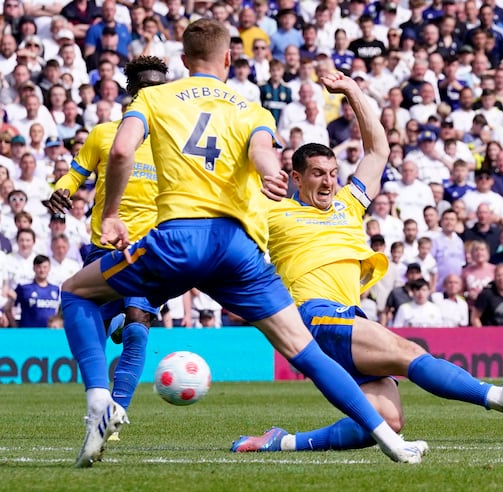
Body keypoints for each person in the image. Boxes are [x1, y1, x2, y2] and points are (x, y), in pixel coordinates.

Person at [59, 20, 428, 468]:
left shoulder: (155, 98)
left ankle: (101, 401)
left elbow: (120, 152)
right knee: (304, 350)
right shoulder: (250, 107)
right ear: (229, 58)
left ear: (182, 61)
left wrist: (113, 213)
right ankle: (391, 441)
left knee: (76, 292)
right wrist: (271, 171)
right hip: (236, 248)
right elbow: (261, 154)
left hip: (177, 238)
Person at [231, 72, 503, 455]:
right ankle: (499, 396)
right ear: (296, 177)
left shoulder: (348, 203)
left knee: (386, 419)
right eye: (317, 175)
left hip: (349, 315)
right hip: (313, 315)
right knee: (408, 352)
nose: (328, 182)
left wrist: (353, 91)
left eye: (332, 174)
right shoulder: (273, 209)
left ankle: (282, 443)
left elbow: (377, 151)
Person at [43, 56, 168, 427]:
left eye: (160, 87)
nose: (153, 93)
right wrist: (61, 191)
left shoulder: (174, 144)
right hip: (105, 245)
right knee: (87, 325)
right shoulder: (103, 134)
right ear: (132, 91)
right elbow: (75, 174)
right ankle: (100, 391)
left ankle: (114, 413)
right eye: (146, 86)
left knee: (136, 324)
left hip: (150, 249)